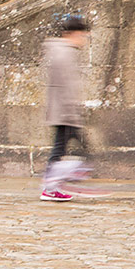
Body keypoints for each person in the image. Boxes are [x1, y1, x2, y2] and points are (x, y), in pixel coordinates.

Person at [41, 14, 91, 201]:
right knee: (59, 149)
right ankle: (50, 187)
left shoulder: (60, 51)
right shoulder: (65, 53)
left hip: (62, 111)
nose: (83, 40)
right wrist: (73, 113)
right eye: (82, 35)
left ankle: (53, 184)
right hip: (64, 112)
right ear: (73, 34)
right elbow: (66, 87)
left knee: (60, 148)